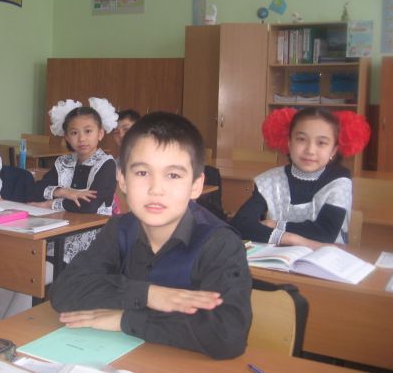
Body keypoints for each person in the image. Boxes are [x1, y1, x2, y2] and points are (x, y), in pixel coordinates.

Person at [49, 112, 251, 359]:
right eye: (142, 173)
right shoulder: (119, 229)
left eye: (173, 175)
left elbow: (228, 335)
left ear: (196, 185)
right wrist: (148, 294)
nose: (156, 189)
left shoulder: (220, 243)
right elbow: (65, 291)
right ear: (122, 179)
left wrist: (126, 319)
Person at [230, 107, 370, 249]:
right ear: (289, 143)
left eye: (321, 143)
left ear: (333, 150)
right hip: (278, 259)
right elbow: (240, 224)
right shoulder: (270, 180)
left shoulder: (340, 181)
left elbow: (325, 233)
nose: (310, 150)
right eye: (301, 139)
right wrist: (292, 239)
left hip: (325, 259)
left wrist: (277, 225)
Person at [30, 97, 117, 263]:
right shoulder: (63, 162)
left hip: (93, 236)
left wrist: (50, 204)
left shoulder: (107, 164)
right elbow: (36, 191)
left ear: (100, 134)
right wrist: (63, 192)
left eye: (88, 131)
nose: (82, 138)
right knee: (27, 256)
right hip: (58, 228)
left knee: (45, 263)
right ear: (67, 138)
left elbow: (89, 205)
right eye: (74, 133)